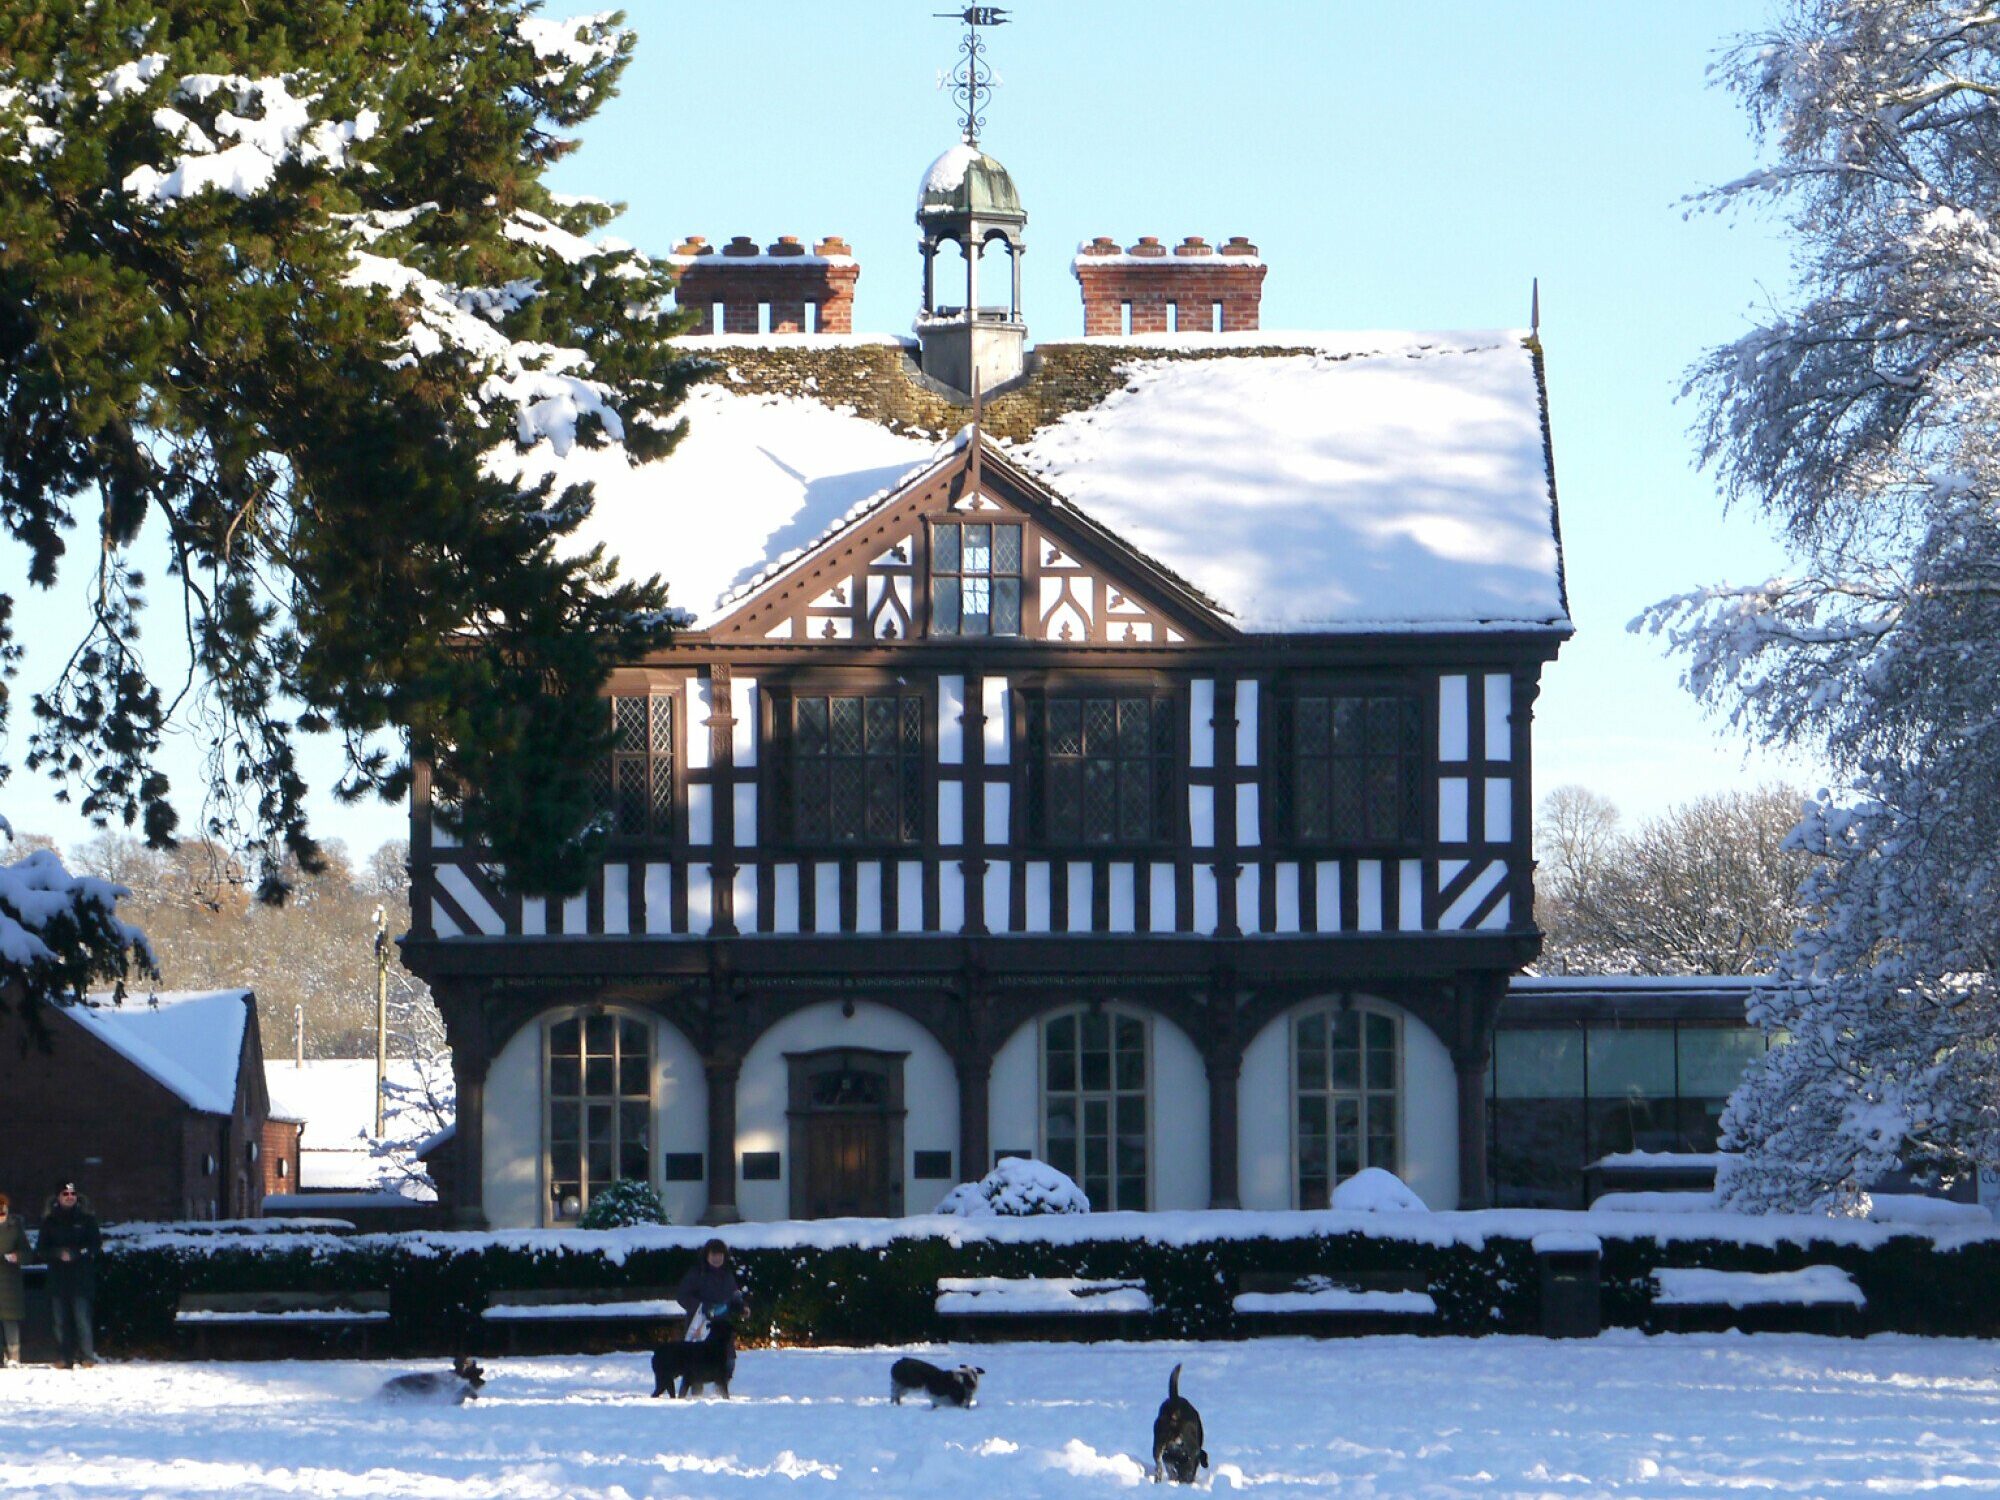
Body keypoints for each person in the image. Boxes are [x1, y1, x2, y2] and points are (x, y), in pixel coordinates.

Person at [36, 1183, 100, 1368]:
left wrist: (77, 1253)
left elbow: (95, 1245)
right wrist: (58, 1254)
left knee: (82, 1319)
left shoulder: (87, 1220)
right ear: (58, 1197)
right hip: (58, 1279)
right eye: (65, 1193)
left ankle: (87, 1356)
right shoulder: (49, 1222)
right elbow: (41, 1249)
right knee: (60, 1322)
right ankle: (64, 1357)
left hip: (81, 1278)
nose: (70, 1196)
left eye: (73, 1193)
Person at [674, 1238, 746, 1342]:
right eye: (713, 1255)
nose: (717, 1258)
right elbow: (682, 1296)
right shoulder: (696, 1273)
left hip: (722, 1327)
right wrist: (703, 1307)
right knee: (699, 1357)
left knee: (724, 1357)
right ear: (706, 1256)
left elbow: (734, 1297)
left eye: (719, 1255)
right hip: (699, 1324)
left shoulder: (727, 1275)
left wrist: (742, 1308)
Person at [0, 1193, 24, 1368]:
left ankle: (14, 1355)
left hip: (9, 1280)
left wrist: (18, 1256)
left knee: (10, 1319)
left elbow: (28, 1253)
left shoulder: (15, 1228)